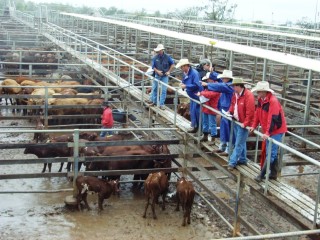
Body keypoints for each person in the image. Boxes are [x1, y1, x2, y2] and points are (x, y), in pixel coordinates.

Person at [249, 81, 287, 181]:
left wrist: (267, 133)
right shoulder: (261, 100)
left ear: (264, 91)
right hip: (268, 129)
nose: (257, 93)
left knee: (271, 153)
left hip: (276, 130)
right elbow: (257, 114)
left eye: (259, 91)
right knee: (271, 151)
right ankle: (274, 173)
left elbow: (273, 118)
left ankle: (261, 175)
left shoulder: (273, 101)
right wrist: (254, 125)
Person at [201, 69, 234, 155]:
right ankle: (222, 147)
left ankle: (227, 149)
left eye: (224, 78)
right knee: (224, 129)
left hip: (228, 111)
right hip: (224, 110)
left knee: (228, 130)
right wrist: (212, 72)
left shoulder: (229, 86)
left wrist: (207, 84)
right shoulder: (225, 84)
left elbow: (220, 86)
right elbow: (219, 83)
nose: (222, 79)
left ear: (227, 78)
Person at [227, 78, 255, 170]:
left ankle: (232, 162)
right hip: (236, 120)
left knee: (239, 143)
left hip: (243, 123)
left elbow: (250, 111)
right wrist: (229, 112)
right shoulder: (235, 94)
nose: (233, 88)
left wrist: (246, 123)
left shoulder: (248, 95)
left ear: (239, 86)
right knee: (241, 141)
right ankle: (242, 159)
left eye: (234, 86)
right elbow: (233, 104)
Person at [177, 58, 203, 133]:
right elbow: (184, 80)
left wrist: (186, 86)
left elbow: (196, 85)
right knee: (193, 111)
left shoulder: (194, 73)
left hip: (196, 95)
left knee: (197, 112)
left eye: (181, 67)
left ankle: (199, 129)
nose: (181, 68)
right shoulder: (186, 73)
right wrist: (182, 84)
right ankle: (195, 127)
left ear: (186, 66)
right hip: (192, 96)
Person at [148, 44, 175, 110]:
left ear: (162, 50)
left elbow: (172, 64)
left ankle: (161, 104)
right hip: (157, 75)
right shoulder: (155, 57)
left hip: (165, 75)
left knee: (163, 90)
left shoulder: (168, 57)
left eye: (160, 50)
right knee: (155, 88)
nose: (159, 52)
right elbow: (153, 67)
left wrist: (169, 72)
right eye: (158, 50)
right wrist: (157, 72)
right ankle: (154, 102)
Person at [196, 72, 221, 143]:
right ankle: (205, 135)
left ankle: (213, 137)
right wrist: (203, 93)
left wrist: (202, 93)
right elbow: (207, 92)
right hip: (207, 106)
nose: (207, 81)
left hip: (212, 106)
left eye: (208, 79)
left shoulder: (215, 86)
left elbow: (211, 94)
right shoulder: (210, 86)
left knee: (212, 123)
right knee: (205, 122)